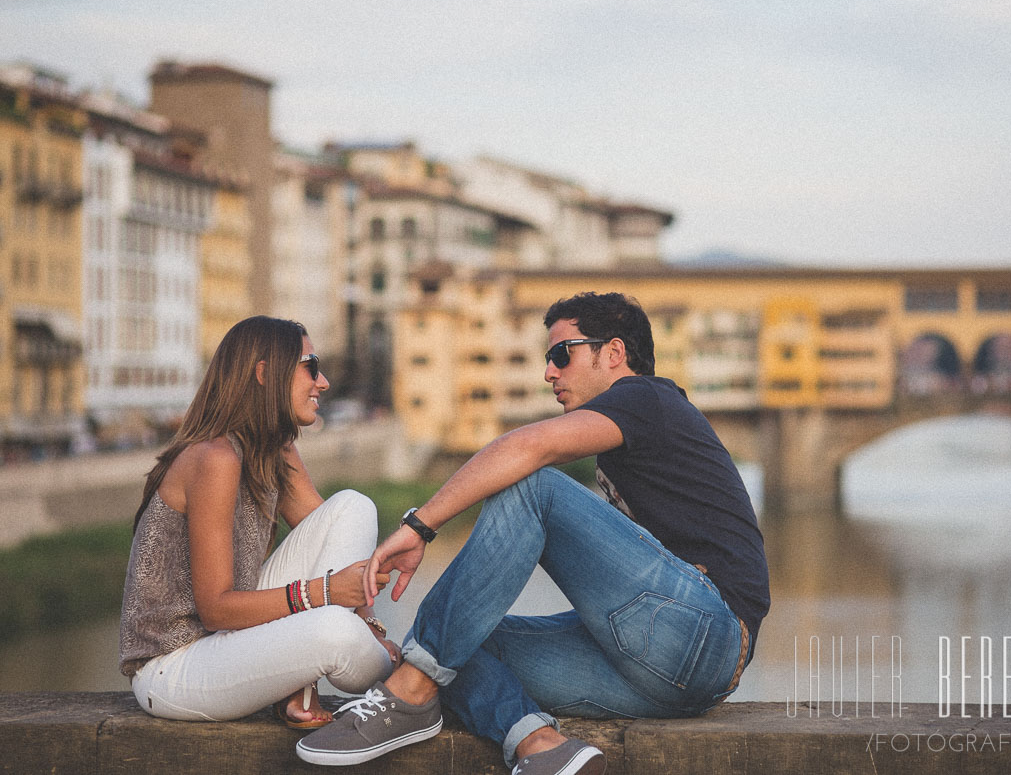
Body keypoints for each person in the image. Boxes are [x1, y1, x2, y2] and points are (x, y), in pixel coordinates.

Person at [296, 292, 771, 774]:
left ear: (613, 353)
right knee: (454, 640)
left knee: (532, 485)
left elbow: (529, 447)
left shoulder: (647, 397)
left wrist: (421, 524)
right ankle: (539, 745)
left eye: (561, 354)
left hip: (709, 630)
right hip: (673, 683)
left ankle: (406, 697)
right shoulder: (624, 435)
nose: (549, 372)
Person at [118, 316, 400, 728]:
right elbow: (215, 610)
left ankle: (304, 687)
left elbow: (334, 545)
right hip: (172, 670)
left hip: (231, 642)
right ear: (265, 374)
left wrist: (366, 619)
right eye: (310, 366)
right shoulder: (215, 458)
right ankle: (412, 675)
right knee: (335, 635)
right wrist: (325, 594)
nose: (322, 382)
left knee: (353, 507)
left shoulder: (275, 447)